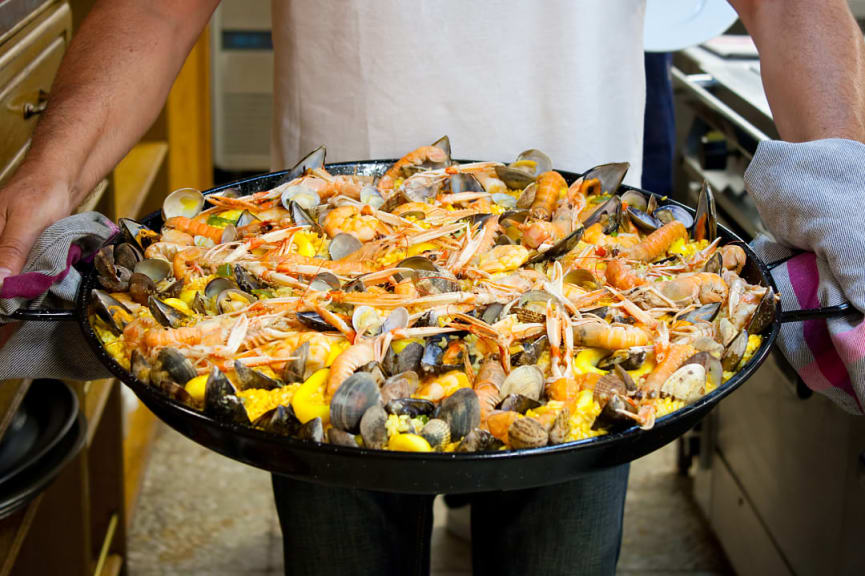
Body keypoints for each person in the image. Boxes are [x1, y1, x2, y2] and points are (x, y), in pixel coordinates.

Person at [0, 1, 862, 574]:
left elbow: (789, 6)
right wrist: (47, 179)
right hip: (313, 293)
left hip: (590, 273)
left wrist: (852, 204)